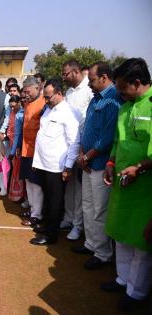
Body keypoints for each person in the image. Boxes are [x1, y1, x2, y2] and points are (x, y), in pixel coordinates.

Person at [101, 58, 152, 312]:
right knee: (120, 234)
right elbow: (117, 140)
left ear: (137, 83)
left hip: (145, 189)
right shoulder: (125, 106)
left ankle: (137, 291)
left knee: (141, 241)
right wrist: (111, 162)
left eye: (122, 89)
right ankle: (122, 279)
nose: (119, 93)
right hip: (122, 183)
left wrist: (140, 168)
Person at [73, 62, 122, 270]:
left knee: (99, 210)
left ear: (104, 77)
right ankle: (91, 244)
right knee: (88, 205)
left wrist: (88, 155)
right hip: (88, 163)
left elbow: (108, 136)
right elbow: (88, 130)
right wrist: (82, 153)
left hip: (100, 164)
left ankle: (103, 253)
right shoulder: (95, 99)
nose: (90, 84)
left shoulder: (113, 100)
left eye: (92, 80)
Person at [30, 79, 80, 245]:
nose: (46, 100)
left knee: (55, 201)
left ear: (59, 93)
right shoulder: (49, 110)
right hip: (44, 163)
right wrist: (37, 162)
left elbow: (74, 142)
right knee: (48, 198)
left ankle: (51, 235)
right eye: (45, 97)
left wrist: (68, 166)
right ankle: (48, 226)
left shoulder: (68, 112)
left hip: (57, 166)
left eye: (49, 97)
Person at [61, 59, 93, 241]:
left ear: (75, 72)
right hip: (69, 144)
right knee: (69, 187)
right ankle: (68, 218)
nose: (63, 77)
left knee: (81, 192)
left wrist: (83, 149)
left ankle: (78, 226)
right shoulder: (69, 91)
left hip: (84, 146)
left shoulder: (89, 89)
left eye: (65, 74)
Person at [19, 77, 45, 228]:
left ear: (37, 88)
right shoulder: (29, 104)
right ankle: (33, 209)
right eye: (24, 91)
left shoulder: (43, 104)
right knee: (28, 181)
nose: (26, 94)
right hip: (25, 149)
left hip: (36, 151)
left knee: (36, 183)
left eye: (28, 91)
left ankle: (37, 215)